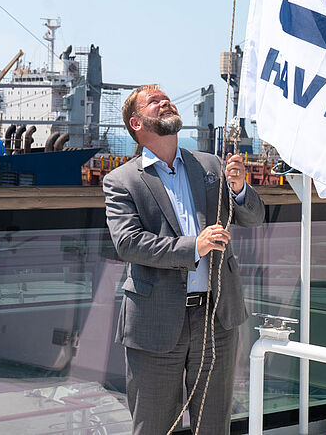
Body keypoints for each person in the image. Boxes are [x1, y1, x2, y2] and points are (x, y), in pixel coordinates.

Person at [103, 85, 265, 434]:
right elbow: (128, 243)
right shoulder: (121, 181)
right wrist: (194, 246)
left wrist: (238, 189)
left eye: (167, 98)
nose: (166, 102)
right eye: (154, 101)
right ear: (136, 123)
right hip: (155, 321)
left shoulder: (210, 165)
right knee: (154, 426)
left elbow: (254, 218)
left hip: (217, 319)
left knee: (214, 425)